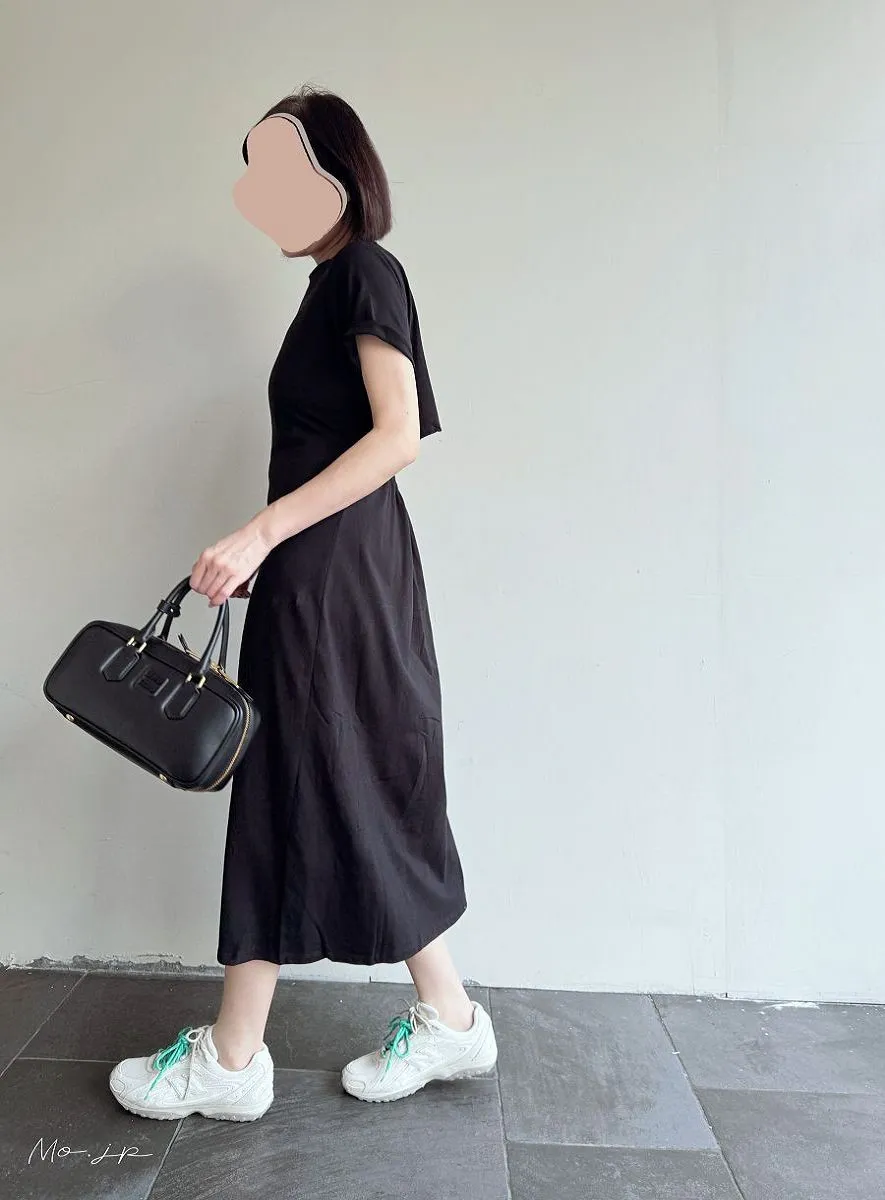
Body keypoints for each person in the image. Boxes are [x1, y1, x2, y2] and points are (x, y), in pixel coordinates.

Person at [108, 86, 497, 1121]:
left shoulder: (366, 271)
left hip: (338, 576)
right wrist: (269, 545)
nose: (260, 195)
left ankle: (238, 1059)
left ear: (338, 172)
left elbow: (397, 434)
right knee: (329, 777)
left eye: (278, 171)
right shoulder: (332, 285)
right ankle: (445, 1019)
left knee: (303, 777)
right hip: (327, 572)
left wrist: (261, 532)